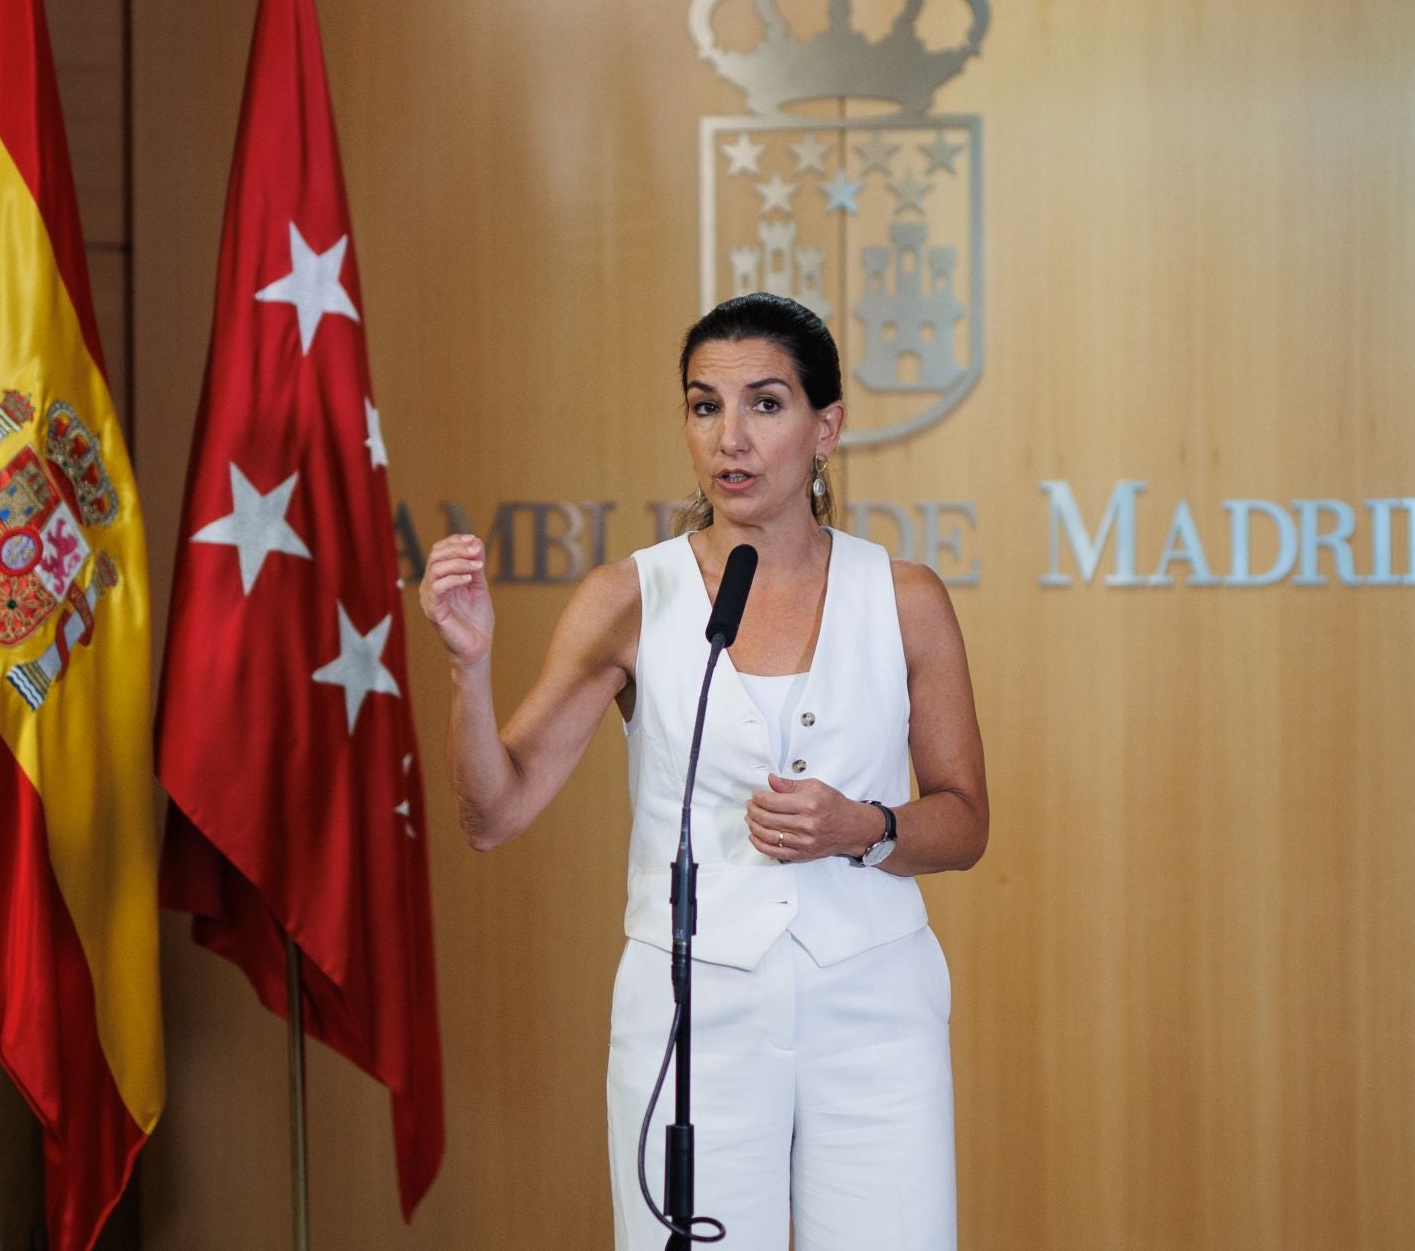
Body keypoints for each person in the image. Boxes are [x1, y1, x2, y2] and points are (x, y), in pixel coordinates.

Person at [418, 292, 988, 1250]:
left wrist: (867, 828)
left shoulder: (904, 598)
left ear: (826, 427)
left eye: (766, 404)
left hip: (876, 1013)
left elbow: (965, 821)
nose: (732, 436)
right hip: (691, 1018)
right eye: (703, 405)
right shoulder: (630, 597)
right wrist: (468, 670)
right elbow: (493, 813)